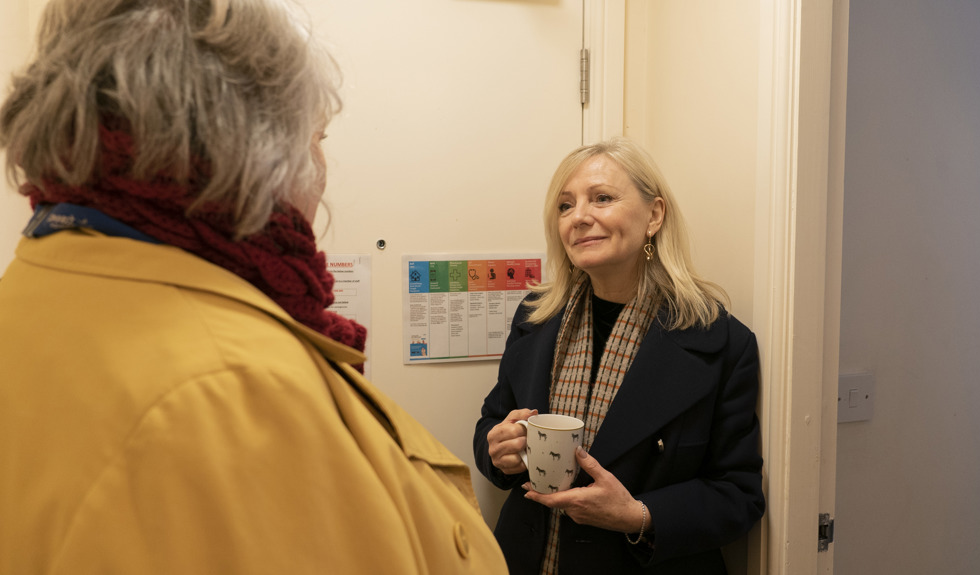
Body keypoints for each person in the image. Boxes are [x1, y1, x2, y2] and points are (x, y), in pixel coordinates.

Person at [0, 1, 507, 573]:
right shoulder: (235, 393)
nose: (321, 171)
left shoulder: (42, 282)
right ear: (252, 154)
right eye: (316, 138)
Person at [473, 137, 765, 574]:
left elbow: (739, 494)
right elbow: (492, 423)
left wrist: (638, 515)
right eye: (565, 206)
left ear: (654, 215)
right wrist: (498, 450)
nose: (580, 217)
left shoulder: (720, 341)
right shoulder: (535, 317)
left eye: (602, 198)